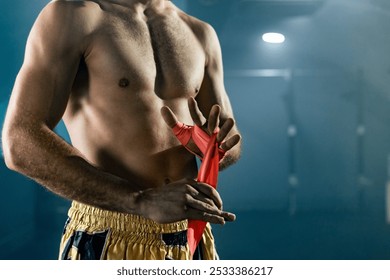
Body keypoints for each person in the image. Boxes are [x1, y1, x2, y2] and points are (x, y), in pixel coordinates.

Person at [2, 0, 241, 260]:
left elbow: (230, 143)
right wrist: (139, 201)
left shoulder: (200, 32)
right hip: (108, 232)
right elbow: (20, 140)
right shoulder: (74, 14)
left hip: (191, 232)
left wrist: (212, 148)